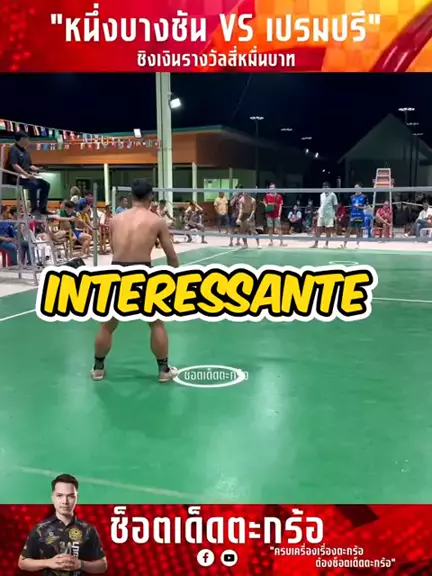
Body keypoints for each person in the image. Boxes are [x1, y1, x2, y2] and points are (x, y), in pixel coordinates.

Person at [92, 179, 179, 382]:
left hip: (117, 272)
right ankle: (164, 371)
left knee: (107, 324)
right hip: (142, 272)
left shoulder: (115, 220)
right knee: (156, 323)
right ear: (151, 196)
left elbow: (115, 249)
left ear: (131, 196)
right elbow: (171, 256)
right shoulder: (156, 221)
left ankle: (98, 369)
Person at [18, 473, 107, 575]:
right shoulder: (40, 529)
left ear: (77, 498)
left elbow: (103, 565)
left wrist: (81, 564)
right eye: (59, 495)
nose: (65, 501)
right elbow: (22, 562)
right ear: (52, 497)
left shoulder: (88, 530)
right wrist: (48, 563)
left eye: (70, 496)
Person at [4, 131, 52, 216]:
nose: (28, 140)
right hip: (15, 177)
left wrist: (37, 169)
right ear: (21, 139)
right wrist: (27, 175)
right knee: (33, 184)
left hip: (25, 177)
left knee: (46, 185)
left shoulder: (25, 151)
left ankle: (42, 208)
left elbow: (29, 165)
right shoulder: (13, 150)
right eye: (27, 139)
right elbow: (14, 165)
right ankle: (34, 209)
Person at [312, 183, 338, 248]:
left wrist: (334, 214)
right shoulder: (321, 195)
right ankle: (316, 244)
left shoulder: (333, 195)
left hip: (329, 215)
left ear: (329, 187)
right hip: (321, 214)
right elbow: (322, 205)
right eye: (323, 187)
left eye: (326, 187)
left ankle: (326, 244)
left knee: (328, 229)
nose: (325, 188)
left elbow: (335, 205)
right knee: (318, 229)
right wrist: (318, 213)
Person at [341, 183, 366, 249]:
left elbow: (367, 207)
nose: (355, 189)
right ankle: (344, 244)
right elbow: (350, 206)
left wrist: (359, 207)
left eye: (357, 187)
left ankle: (357, 244)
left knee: (358, 230)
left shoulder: (364, 197)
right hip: (353, 215)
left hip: (360, 215)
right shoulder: (352, 197)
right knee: (348, 229)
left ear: (360, 188)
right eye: (355, 187)